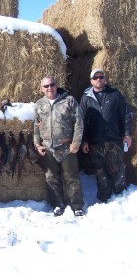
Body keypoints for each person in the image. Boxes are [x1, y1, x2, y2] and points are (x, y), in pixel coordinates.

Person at [33, 76, 85, 217]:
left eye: (52, 85)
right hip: (49, 148)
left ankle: (77, 206)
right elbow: (36, 126)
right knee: (51, 178)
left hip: (67, 147)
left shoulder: (69, 101)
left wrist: (76, 143)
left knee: (71, 177)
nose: (49, 88)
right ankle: (57, 205)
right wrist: (37, 144)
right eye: (46, 86)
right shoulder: (39, 104)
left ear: (56, 85)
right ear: (41, 88)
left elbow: (79, 123)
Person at [80, 68, 133, 202]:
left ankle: (120, 195)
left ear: (105, 79)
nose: (99, 80)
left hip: (113, 139)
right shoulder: (86, 99)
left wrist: (127, 134)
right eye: (96, 78)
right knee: (100, 171)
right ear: (91, 81)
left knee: (117, 168)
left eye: (101, 77)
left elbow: (125, 115)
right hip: (95, 141)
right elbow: (81, 121)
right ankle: (104, 197)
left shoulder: (115, 94)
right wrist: (84, 141)